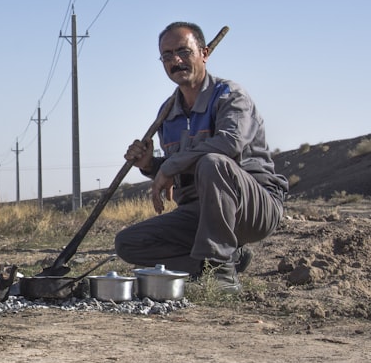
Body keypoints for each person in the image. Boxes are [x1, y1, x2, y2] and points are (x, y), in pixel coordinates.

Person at [114, 21, 288, 293]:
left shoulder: (230, 96)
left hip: (253, 209)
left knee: (213, 162)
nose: (176, 61)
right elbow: (181, 170)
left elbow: (229, 145)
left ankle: (220, 271)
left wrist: (170, 165)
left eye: (184, 52)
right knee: (129, 243)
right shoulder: (167, 113)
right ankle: (221, 261)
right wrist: (150, 165)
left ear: (204, 53)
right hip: (199, 215)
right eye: (167, 56)